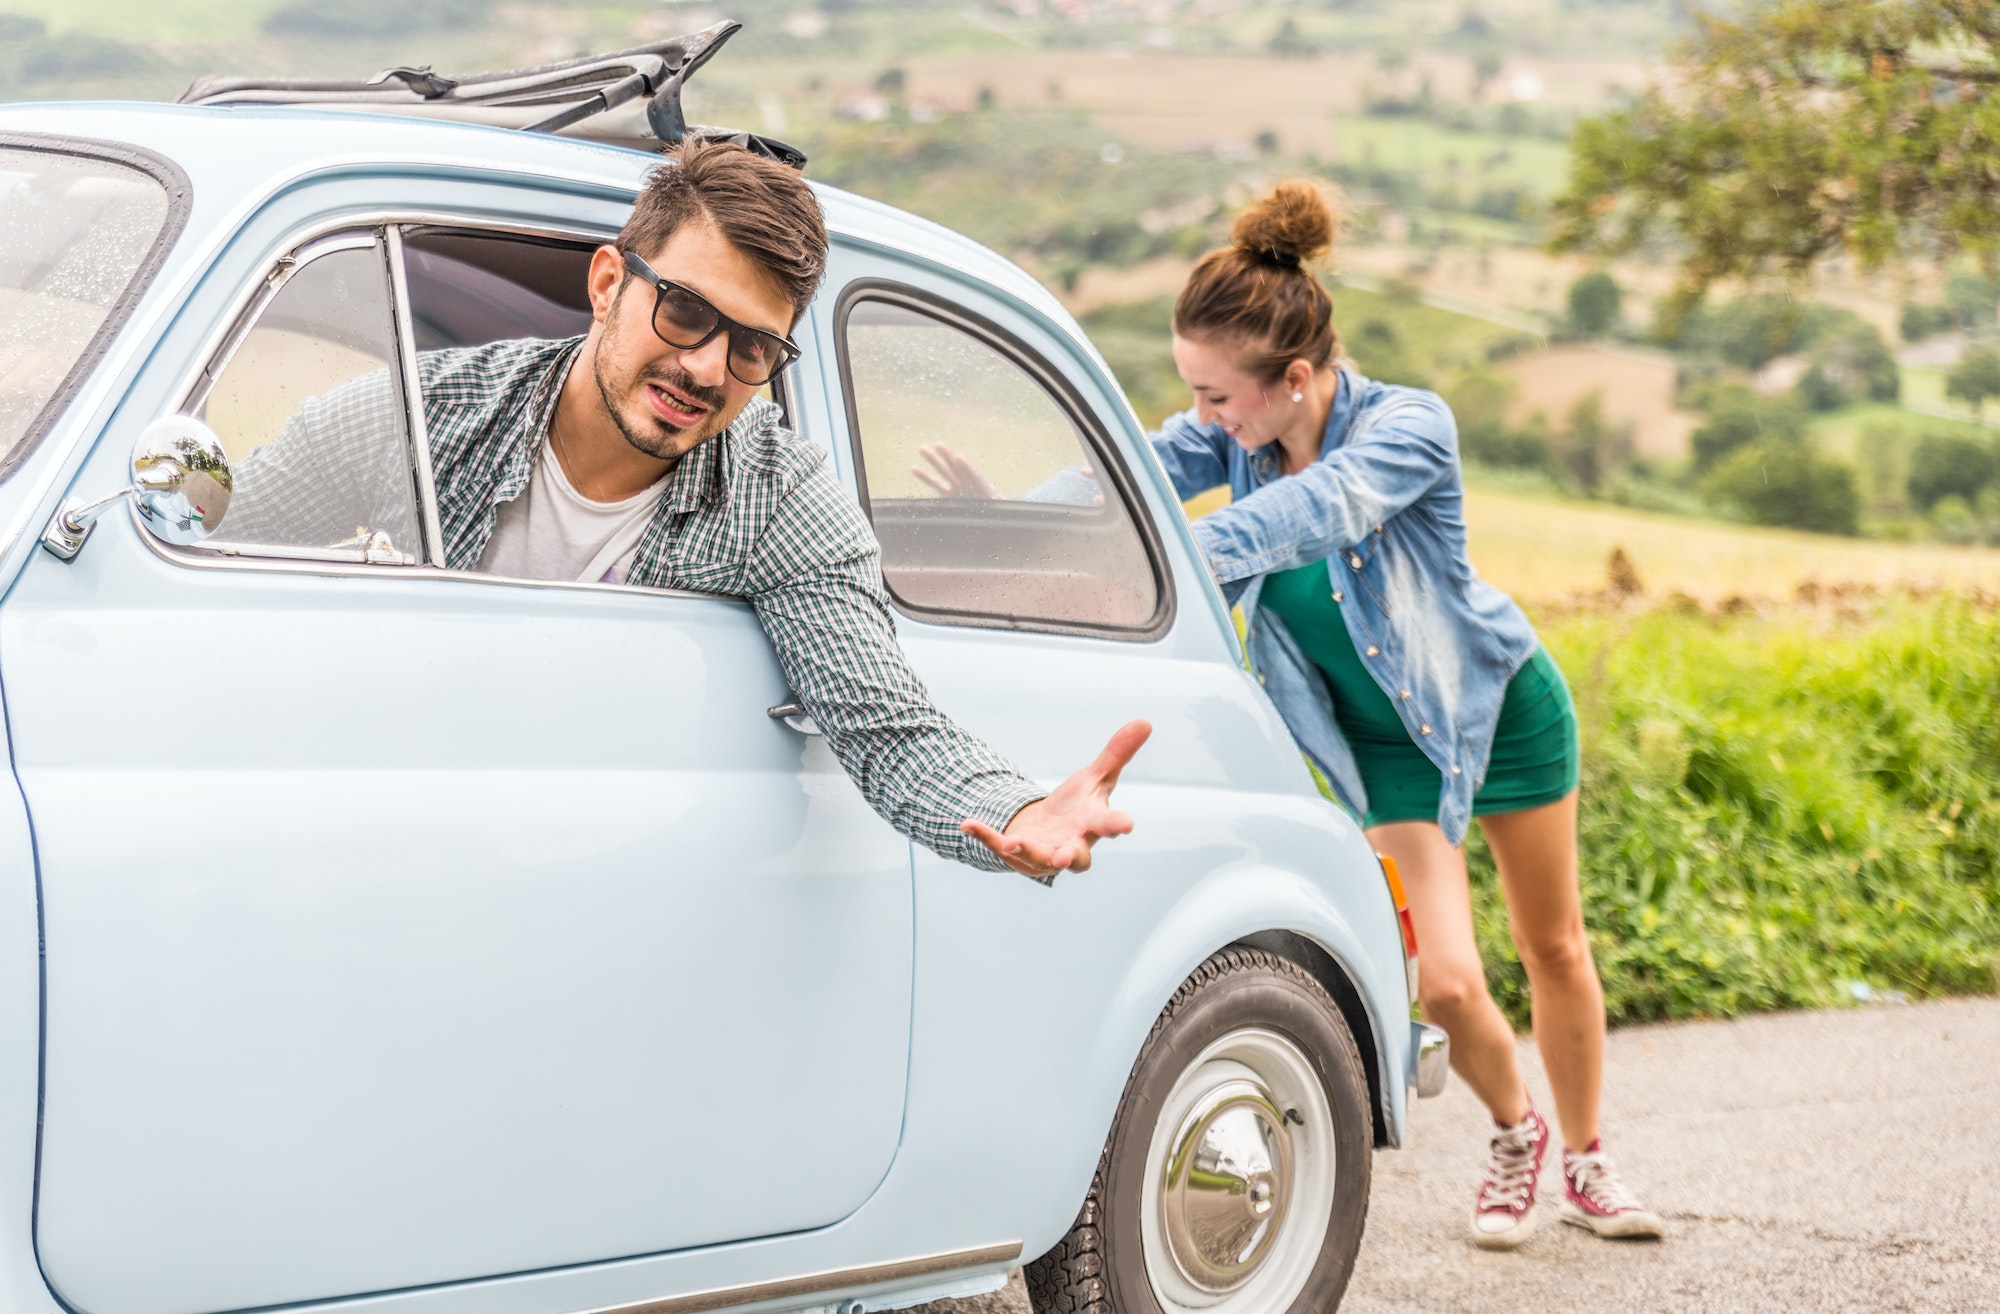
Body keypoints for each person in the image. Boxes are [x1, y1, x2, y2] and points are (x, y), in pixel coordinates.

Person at [223, 138, 1147, 882]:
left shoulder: (779, 498)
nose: (707, 367)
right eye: (685, 312)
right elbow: (202, 566)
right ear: (605, 285)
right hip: (399, 850)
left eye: (752, 348)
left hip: (622, 875)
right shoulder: (424, 418)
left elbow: (886, 725)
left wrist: (1017, 811)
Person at [1149, 182, 1662, 1249]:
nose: (1204, 418)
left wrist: (1178, 555)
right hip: (1382, 752)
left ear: (1292, 379)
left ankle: (1587, 1158)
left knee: (1552, 944)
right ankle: (1515, 1134)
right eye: (1192, 395)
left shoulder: (1408, 429)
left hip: (1494, 711)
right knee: (1442, 979)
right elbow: (1135, 468)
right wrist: (1022, 509)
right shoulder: (1231, 439)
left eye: (1216, 397)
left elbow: (1314, 512)